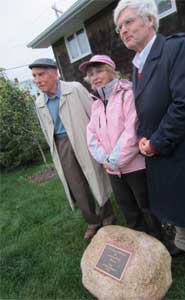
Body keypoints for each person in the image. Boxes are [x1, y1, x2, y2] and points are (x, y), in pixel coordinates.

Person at [114, 0, 185, 293]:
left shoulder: (176, 48)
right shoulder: (137, 65)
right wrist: (142, 138)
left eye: (128, 22)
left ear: (150, 20)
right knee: (172, 198)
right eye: (119, 27)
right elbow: (146, 110)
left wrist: (156, 142)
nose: (122, 30)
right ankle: (184, 244)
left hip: (183, 145)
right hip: (156, 147)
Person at [29, 58, 114, 240]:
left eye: (41, 74)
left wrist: (100, 140)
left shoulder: (74, 89)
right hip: (61, 144)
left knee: (95, 174)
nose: (37, 80)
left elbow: (94, 114)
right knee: (76, 184)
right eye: (34, 76)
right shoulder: (39, 102)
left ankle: (107, 215)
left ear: (54, 73)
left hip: (84, 138)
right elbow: (46, 128)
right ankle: (92, 221)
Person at [79, 54, 161, 237]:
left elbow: (131, 131)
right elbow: (91, 134)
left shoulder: (127, 95)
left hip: (134, 166)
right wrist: (104, 159)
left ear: (110, 71)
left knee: (146, 206)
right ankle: (140, 242)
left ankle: (160, 243)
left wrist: (114, 160)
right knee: (128, 208)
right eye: (91, 74)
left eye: (99, 71)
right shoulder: (96, 104)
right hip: (112, 169)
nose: (95, 76)